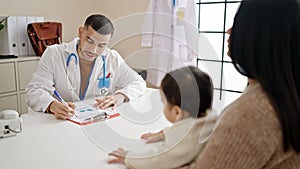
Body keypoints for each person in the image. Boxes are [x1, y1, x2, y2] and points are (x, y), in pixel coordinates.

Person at [178, 0, 300, 168]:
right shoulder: (285, 95)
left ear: (258, 36)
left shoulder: (253, 113)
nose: (229, 32)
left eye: (237, 25)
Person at [25, 14, 146, 119]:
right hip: (60, 122)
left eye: (101, 45)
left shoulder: (112, 58)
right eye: (90, 41)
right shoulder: (54, 53)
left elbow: (138, 82)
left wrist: (120, 96)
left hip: (95, 123)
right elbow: (34, 90)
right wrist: (52, 105)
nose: (93, 50)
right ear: (81, 32)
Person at [107, 66, 218, 169]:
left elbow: (158, 160)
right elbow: (185, 127)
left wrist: (129, 158)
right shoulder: (209, 116)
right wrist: (164, 134)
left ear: (176, 112)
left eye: (164, 102)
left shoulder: (185, 138)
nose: (163, 106)